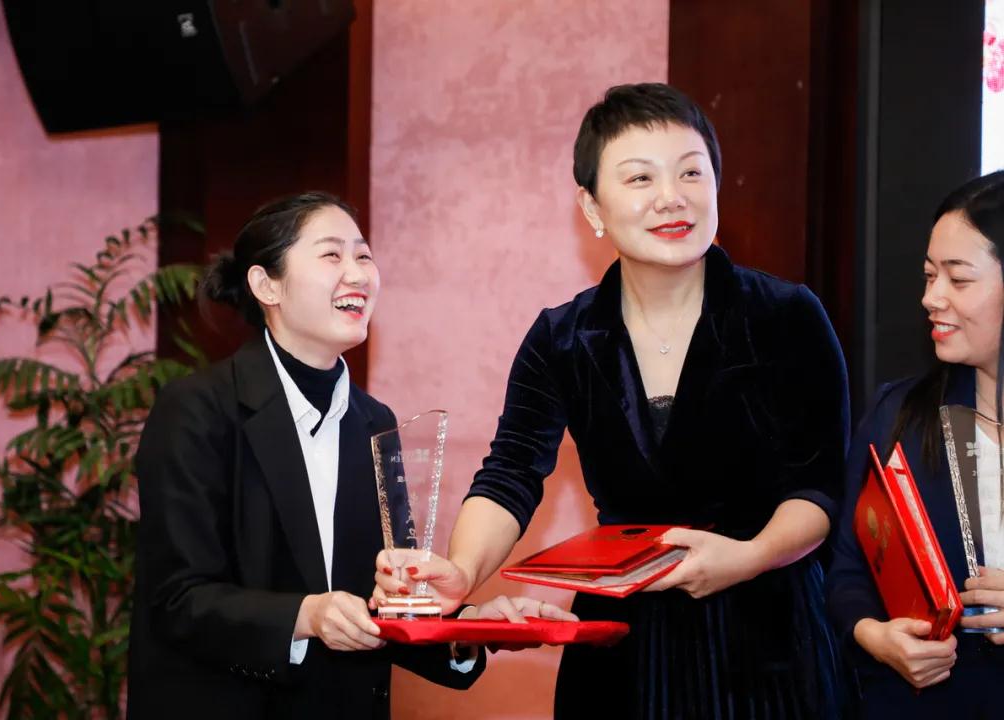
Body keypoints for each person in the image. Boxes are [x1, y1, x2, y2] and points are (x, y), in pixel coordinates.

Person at [374, 83, 850, 718]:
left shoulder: (786, 315)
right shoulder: (563, 337)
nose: (671, 197)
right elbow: (512, 472)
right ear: (592, 206)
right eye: (640, 178)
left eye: (691, 172)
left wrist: (750, 557)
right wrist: (462, 571)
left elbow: (819, 486)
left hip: (769, 634)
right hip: (624, 641)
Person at [127, 192, 563, 719]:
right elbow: (177, 598)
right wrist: (307, 616)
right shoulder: (196, 410)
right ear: (267, 285)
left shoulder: (374, 422)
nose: (357, 274)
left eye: (364, 256)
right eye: (332, 255)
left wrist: (468, 628)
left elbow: (381, 603)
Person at [827, 170, 1004, 717]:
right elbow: (848, 568)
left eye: (959, 279)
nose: (932, 298)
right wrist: (873, 635)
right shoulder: (898, 415)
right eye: (929, 276)